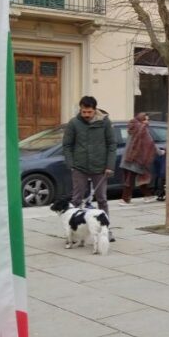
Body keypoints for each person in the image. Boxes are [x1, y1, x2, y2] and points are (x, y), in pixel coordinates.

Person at [63, 96, 116, 241]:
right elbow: (67, 145)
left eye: (89, 112)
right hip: (79, 166)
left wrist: (109, 166)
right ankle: (74, 230)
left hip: (100, 167)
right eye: (83, 112)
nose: (86, 115)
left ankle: (106, 229)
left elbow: (112, 144)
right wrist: (71, 164)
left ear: (95, 110)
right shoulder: (74, 123)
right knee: (76, 199)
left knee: (102, 199)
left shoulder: (104, 122)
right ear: (80, 109)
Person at [119, 112, 164, 205]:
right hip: (136, 158)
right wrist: (161, 152)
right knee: (130, 179)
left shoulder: (132, 126)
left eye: (148, 119)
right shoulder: (142, 129)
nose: (147, 122)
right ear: (140, 120)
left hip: (128, 156)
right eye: (145, 119)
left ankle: (147, 196)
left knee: (138, 176)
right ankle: (125, 199)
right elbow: (151, 143)